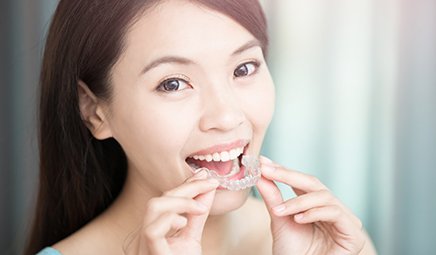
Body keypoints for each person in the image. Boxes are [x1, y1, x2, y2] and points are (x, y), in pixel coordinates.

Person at [25, 0, 377, 254]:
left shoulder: (328, 244)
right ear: (95, 112)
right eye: (173, 84)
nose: (226, 117)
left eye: (244, 69)